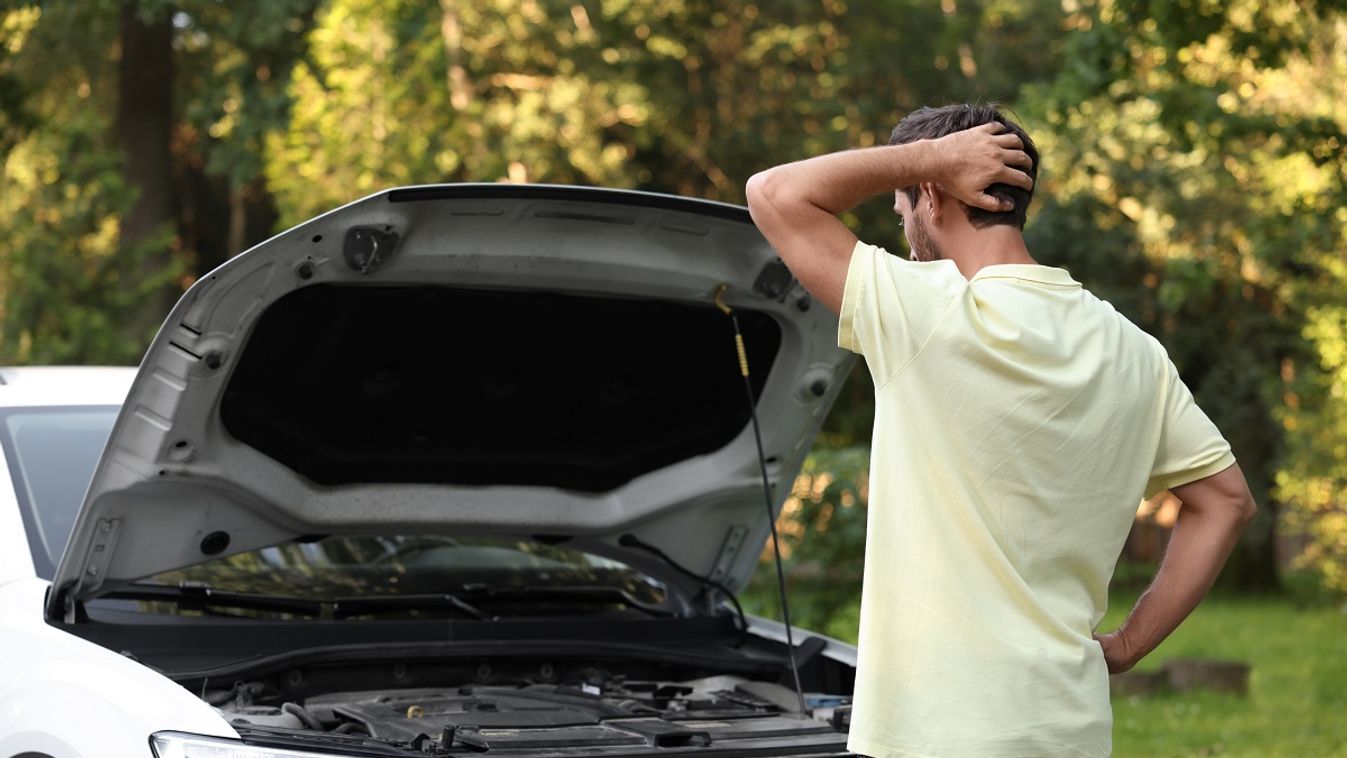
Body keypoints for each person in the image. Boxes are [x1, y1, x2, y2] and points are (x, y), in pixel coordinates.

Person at [745, 104, 1256, 757]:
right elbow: (1226, 501)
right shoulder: (1133, 350)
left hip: (940, 736)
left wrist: (927, 159)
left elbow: (773, 193)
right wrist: (1127, 646)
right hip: (1068, 728)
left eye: (902, 210)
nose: (902, 231)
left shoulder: (927, 313)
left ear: (932, 193)